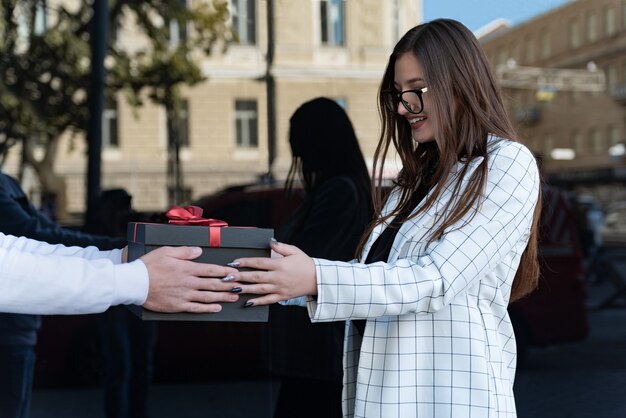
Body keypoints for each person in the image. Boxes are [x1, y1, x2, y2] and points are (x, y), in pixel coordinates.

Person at [231, 19, 542, 417]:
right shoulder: (415, 182)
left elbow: (436, 279)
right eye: (398, 94)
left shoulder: (505, 163)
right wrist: (265, 277)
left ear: (460, 82)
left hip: (454, 401)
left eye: (416, 90)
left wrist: (315, 278)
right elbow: (376, 278)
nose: (402, 107)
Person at [0, 175, 239, 418]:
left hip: (113, 291)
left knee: (136, 366)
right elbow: (14, 257)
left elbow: (19, 247)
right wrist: (137, 276)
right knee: (121, 367)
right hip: (21, 331)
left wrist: (126, 257)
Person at [266, 97, 373, 418]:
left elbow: (306, 262)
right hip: (316, 351)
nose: (295, 151)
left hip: (320, 351)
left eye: (299, 140)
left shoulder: (340, 191)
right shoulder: (338, 189)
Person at [83, 189, 157, 418]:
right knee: (120, 365)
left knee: (140, 364)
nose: (125, 211)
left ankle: (138, 413)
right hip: (115, 302)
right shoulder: (100, 231)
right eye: (121, 206)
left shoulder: (134, 223)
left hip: (140, 298)